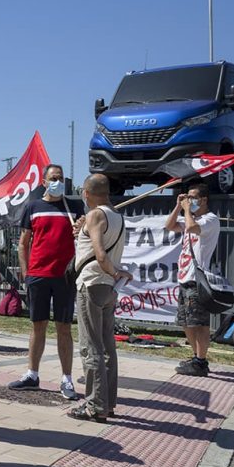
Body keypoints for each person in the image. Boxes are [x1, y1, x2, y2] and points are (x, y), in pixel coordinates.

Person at [9, 164, 83, 400]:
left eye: (60, 178)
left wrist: (81, 229)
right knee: (37, 325)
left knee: (63, 328)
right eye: (53, 178)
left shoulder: (74, 207)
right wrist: (26, 272)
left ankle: (67, 379)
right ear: (43, 181)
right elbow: (23, 242)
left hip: (64, 277)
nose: (57, 182)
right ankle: (32, 374)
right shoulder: (33, 206)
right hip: (38, 275)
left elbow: (87, 235)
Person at [68, 174, 130, 423]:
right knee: (107, 347)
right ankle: (108, 403)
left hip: (92, 283)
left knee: (90, 346)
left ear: (87, 192)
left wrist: (115, 271)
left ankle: (95, 405)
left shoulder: (95, 215)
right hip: (109, 288)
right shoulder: (117, 216)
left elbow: (100, 254)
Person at [165, 183, 220, 377]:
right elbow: (170, 226)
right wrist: (178, 207)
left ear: (203, 200)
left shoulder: (210, 219)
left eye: (193, 197)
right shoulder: (190, 216)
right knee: (186, 321)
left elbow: (191, 227)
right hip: (184, 277)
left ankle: (201, 361)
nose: (189, 200)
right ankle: (195, 356)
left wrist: (187, 210)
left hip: (197, 279)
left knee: (200, 323)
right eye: (187, 197)